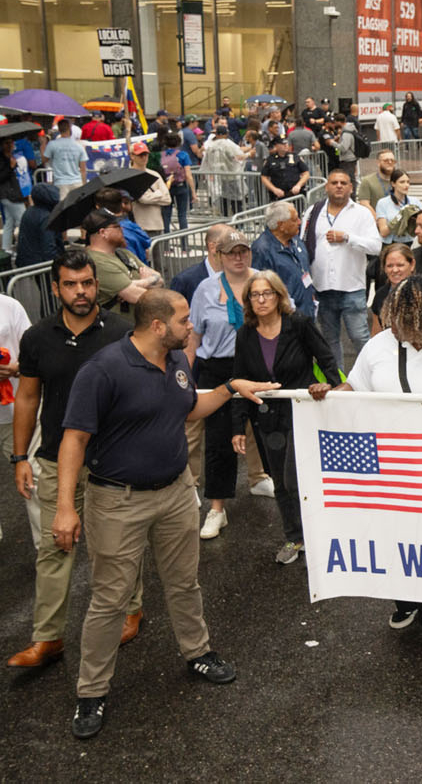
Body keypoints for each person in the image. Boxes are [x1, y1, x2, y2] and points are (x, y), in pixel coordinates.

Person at [53, 289, 277, 739]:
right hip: (118, 501)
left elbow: (189, 409)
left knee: (183, 582)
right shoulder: (103, 370)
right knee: (110, 599)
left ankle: (197, 653)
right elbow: (73, 440)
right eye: (182, 320)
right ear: (157, 326)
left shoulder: (175, 360)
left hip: (175, 493)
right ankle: (91, 692)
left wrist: (232, 388)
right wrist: (63, 509)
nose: (190, 326)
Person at [8, 251, 143, 671]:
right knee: (53, 547)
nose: (81, 292)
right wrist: (19, 456)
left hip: (113, 459)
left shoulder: (123, 332)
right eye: (70, 284)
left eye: (87, 283)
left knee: (115, 547)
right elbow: (28, 397)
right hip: (54, 459)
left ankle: (131, 610)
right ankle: (48, 638)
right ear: (55, 287)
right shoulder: (37, 337)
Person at [330, 275, 422, 653]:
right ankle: (405, 601)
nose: (400, 327)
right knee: (393, 537)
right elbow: (354, 387)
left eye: (410, 318)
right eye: (397, 318)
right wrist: (327, 395)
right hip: (388, 462)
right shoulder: (379, 345)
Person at [229, 270, 336, 564]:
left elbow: (326, 358)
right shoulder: (245, 334)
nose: (261, 300)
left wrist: (335, 392)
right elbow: (239, 379)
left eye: (267, 293)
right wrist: (238, 426)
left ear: (279, 296)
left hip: (301, 413)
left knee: (296, 480)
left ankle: (318, 533)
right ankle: (294, 537)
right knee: (280, 482)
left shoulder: (298, 324)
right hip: (267, 419)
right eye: (255, 295)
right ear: (248, 301)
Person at [186, 231, 264, 540]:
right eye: (231, 252)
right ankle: (217, 508)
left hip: (256, 365)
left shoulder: (264, 282)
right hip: (217, 369)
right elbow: (193, 337)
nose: (238, 257)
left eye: (243, 251)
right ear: (219, 255)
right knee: (218, 441)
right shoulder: (205, 289)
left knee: (267, 430)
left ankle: (280, 494)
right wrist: (186, 374)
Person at [304, 169, 381, 367]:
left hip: (351, 288)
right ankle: (337, 381)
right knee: (330, 340)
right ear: (326, 186)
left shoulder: (362, 214)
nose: (339, 186)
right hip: (322, 288)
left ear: (351, 187)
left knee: (359, 338)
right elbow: (304, 244)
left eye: (343, 183)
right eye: (334, 182)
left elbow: (375, 246)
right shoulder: (313, 212)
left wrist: (348, 238)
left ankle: (372, 377)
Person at [82, 210, 161, 317]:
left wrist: (139, 283)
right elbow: (136, 296)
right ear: (103, 232)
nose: (122, 229)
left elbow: (160, 279)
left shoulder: (123, 253)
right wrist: (148, 282)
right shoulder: (96, 262)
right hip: (118, 329)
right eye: (117, 226)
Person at [250, 201, 316, 319]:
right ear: (281, 225)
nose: (299, 223)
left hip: (307, 310)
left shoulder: (295, 239)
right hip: (285, 318)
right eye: (294, 220)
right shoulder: (261, 250)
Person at [369, 243, 415, 336]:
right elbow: (376, 334)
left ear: (412, 265)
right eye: (390, 266)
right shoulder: (380, 295)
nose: (394, 270)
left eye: (400, 265)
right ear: (384, 268)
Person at [259, 135, 309, 202]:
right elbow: (264, 177)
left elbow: (306, 173)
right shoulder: (270, 160)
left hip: (296, 195)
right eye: (282, 144)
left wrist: (298, 185)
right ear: (276, 145)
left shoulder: (295, 157)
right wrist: (274, 189)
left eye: (286, 143)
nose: (286, 145)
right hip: (279, 196)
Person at [374, 168, 418, 245]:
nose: (406, 185)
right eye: (402, 182)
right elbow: (383, 232)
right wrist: (400, 216)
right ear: (393, 184)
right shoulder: (383, 203)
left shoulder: (415, 201)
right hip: (391, 244)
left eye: (408, 182)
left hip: (411, 243)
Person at [43, 130, 87, 194]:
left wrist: (42, 145)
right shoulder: (79, 146)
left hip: (61, 183)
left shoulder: (52, 145)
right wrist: (84, 185)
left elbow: (44, 160)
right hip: (76, 182)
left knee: (62, 203)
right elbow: (83, 169)